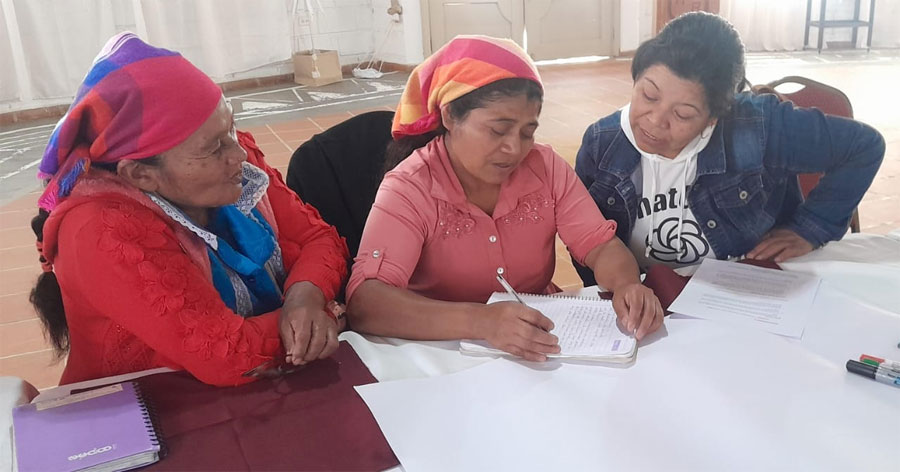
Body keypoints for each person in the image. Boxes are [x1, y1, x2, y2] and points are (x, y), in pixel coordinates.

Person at [30, 33, 349, 386]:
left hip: (247, 391)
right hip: (145, 404)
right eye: (213, 148)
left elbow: (318, 238)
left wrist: (306, 297)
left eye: (231, 128)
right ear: (141, 174)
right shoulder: (102, 229)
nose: (239, 154)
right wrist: (324, 315)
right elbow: (227, 355)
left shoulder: (234, 163)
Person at [346, 35, 663, 360]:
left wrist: (627, 285)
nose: (514, 148)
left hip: (539, 344)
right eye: (498, 130)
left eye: (527, 132)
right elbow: (367, 302)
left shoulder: (545, 168)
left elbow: (600, 246)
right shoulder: (411, 186)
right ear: (450, 116)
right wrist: (481, 321)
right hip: (440, 353)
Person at [575, 12, 884, 282]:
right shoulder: (602, 144)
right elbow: (586, 241)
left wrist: (811, 227)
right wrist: (619, 289)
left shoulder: (758, 128)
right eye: (649, 95)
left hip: (746, 292)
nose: (655, 121)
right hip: (649, 299)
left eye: (682, 114)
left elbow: (863, 147)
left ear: (715, 117)